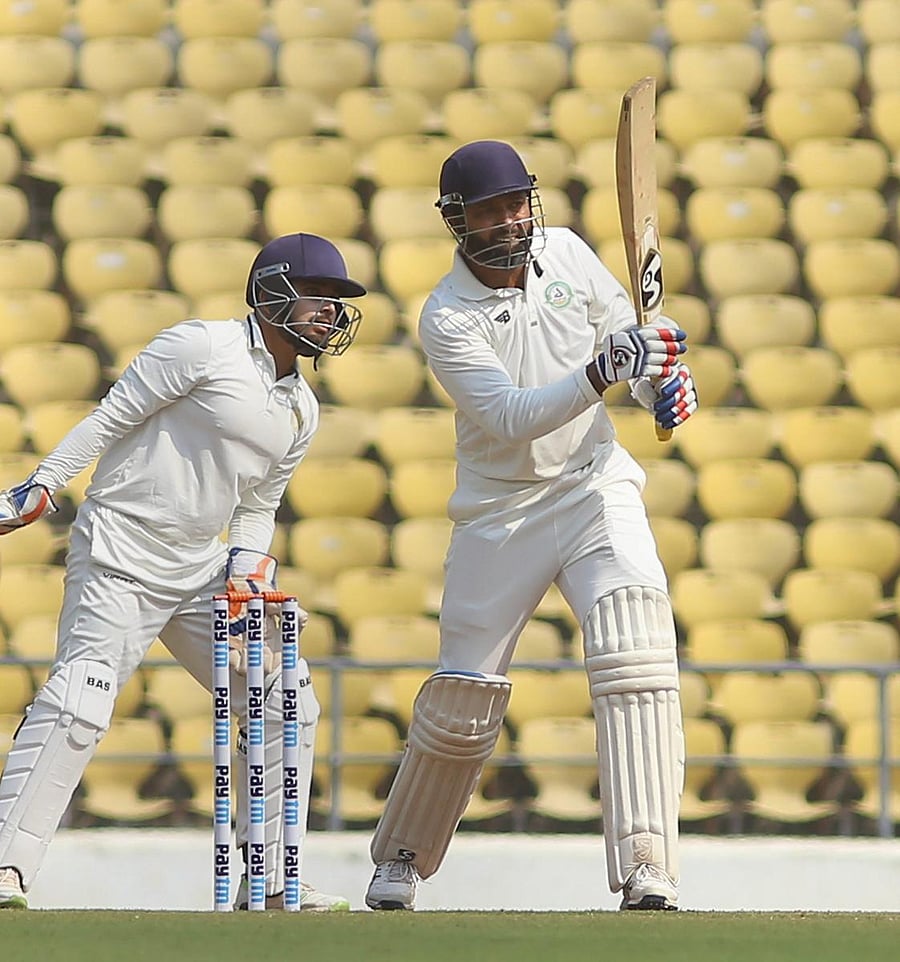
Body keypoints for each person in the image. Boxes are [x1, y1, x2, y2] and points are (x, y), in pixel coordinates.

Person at [364, 141, 698, 912]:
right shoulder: (445, 316)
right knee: (462, 700)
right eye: (491, 209)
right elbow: (512, 419)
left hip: (592, 486)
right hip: (499, 513)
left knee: (637, 650)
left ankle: (648, 862)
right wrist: (600, 371)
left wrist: (660, 388)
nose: (511, 220)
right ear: (457, 221)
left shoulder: (569, 253)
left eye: (518, 203)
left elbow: (633, 344)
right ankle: (403, 858)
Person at [0, 232, 367, 912]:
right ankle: (6, 867)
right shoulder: (202, 346)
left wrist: (250, 569)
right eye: (321, 299)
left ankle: (275, 877)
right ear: (273, 292)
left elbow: (258, 507)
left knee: (290, 698)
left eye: (338, 304)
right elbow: (111, 418)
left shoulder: (301, 409)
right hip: (120, 551)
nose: (330, 315)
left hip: (200, 569)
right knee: (82, 702)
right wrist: (44, 483)